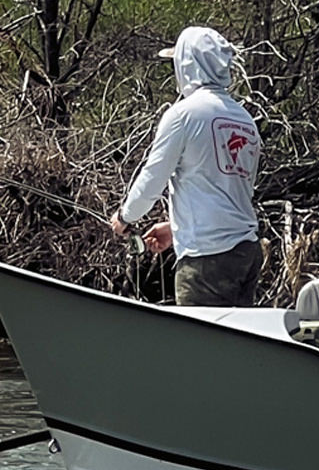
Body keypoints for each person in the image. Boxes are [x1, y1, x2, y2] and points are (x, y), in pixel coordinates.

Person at [110, 25, 262, 306]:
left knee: (199, 336)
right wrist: (175, 228)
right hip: (247, 254)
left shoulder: (183, 115)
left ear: (187, 64)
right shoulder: (245, 120)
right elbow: (230, 194)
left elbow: (152, 178)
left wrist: (125, 217)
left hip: (206, 261)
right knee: (234, 335)